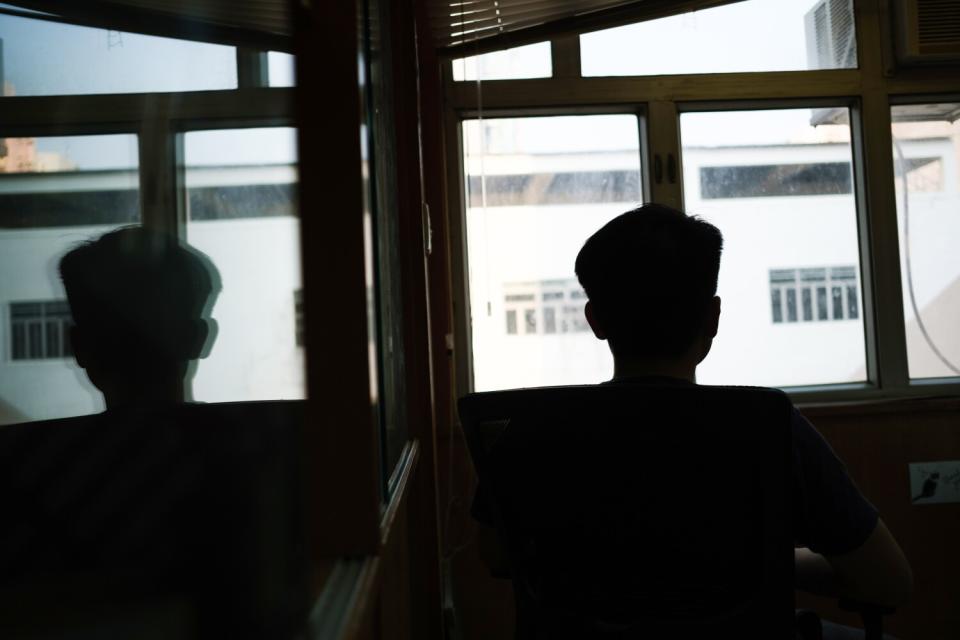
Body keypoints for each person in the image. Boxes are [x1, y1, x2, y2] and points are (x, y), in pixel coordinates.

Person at [475, 204, 913, 639]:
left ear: (595, 321)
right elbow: (888, 581)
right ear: (712, 317)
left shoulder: (532, 430)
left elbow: (497, 556)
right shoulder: (769, 429)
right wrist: (771, 562)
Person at [59, 226, 220, 409]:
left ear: (79, 346)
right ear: (195, 339)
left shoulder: (45, 438)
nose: (132, 346)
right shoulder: (241, 433)